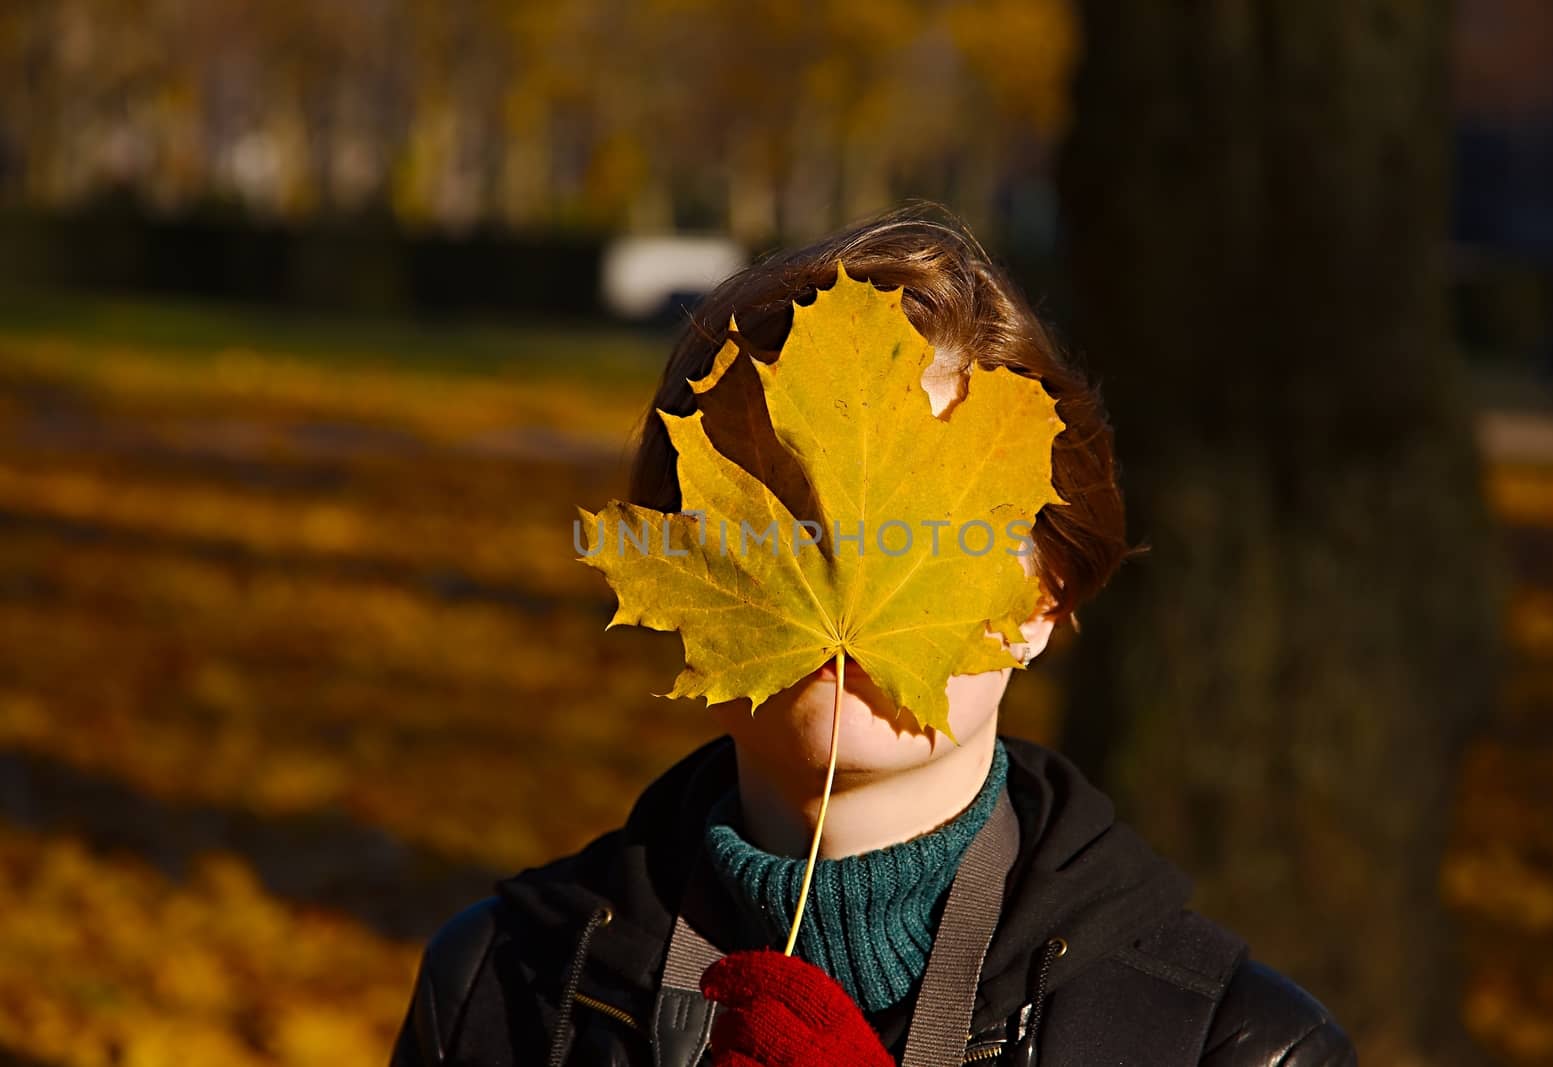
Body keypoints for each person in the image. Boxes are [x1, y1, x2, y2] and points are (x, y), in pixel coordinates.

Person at [388, 206, 1358, 1067]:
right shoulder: (496, 992)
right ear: (683, 564)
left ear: (1044, 601)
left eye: (933, 527)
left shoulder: (1240, 1046)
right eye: (781, 508)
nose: (847, 560)